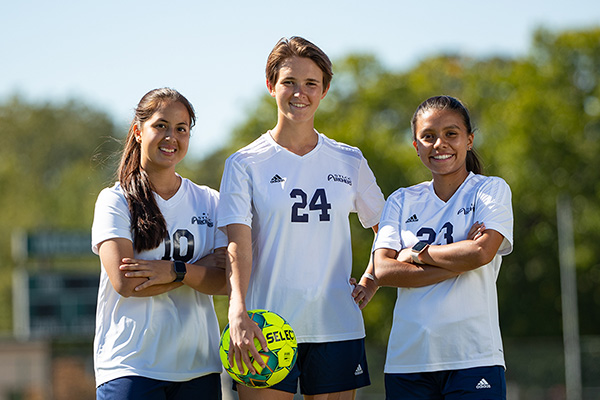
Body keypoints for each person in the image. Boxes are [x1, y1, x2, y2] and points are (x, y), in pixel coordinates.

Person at [217, 37, 385, 399]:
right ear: (271, 86)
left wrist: (371, 278)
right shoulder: (244, 163)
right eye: (289, 82)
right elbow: (236, 246)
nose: (300, 93)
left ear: (324, 90)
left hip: (337, 326)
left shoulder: (349, 160)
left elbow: (386, 229)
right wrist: (238, 311)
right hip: (265, 327)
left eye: (311, 84)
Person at [372, 95, 513, 399]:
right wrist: (460, 261)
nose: (440, 144)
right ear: (416, 145)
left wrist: (417, 255)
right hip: (408, 361)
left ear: (469, 140)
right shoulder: (401, 199)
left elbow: (481, 253)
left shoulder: (490, 190)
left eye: (451, 134)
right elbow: (383, 270)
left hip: (474, 357)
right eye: (428, 136)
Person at [91, 88, 227, 400]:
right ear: (138, 131)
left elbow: (226, 279)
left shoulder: (210, 201)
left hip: (198, 367)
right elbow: (125, 282)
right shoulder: (115, 200)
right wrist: (194, 272)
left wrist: (173, 270)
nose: (171, 137)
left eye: (182, 129)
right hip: (130, 366)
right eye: (161, 126)